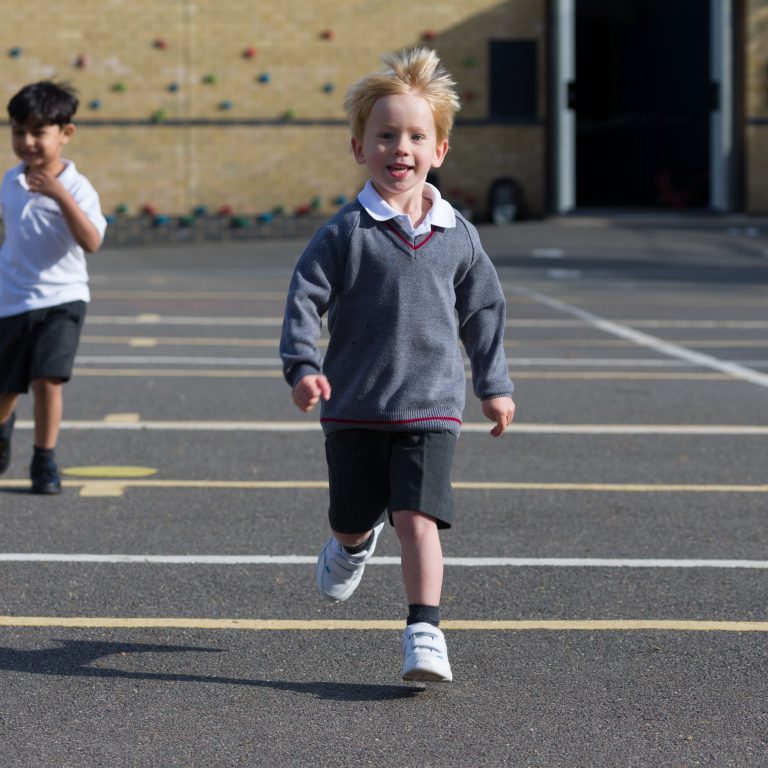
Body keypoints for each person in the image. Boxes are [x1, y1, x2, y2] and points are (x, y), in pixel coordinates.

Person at [279, 48, 515, 682]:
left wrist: (493, 385)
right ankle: (351, 546)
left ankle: (424, 632)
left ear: (439, 149)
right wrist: (303, 367)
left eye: (416, 135)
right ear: (360, 149)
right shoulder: (345, 232)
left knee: (417, 517)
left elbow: (484, 309)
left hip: (432, 407)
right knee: (353, 519)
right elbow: (305, 297)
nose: (400, 148)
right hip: (355, 405)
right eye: (385, 135)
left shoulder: (458, 233)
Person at [0, 81, 107, 494]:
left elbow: (92, 242)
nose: (26, 142)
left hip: (63, 298)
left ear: (66, 133)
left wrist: (60, 194)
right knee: (6, 388)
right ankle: (4, 426)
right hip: (11, 299)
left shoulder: (78, 187)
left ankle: (44, 461)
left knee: (48, 379)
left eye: (37, 132)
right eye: (17, 132)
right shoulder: (9, 183)